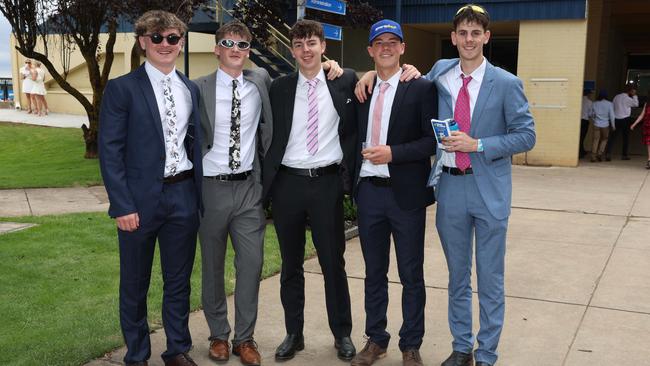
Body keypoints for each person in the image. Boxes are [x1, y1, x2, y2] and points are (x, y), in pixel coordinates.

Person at [98, 10, 203, 366]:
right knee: (135, 284)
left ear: (181, 43)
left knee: (178, 281)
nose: (165, 44)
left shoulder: (190, 88)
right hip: (138, 203)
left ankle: (177, 350)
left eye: (172, 38)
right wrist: (122, 205)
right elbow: (110, 151)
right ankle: (138, 354)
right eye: (156, 37)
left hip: (183, 196)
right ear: (143, 42)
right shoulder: (122, 88)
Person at [262, 19, 358, 362]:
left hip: (327, 184)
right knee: (291, 265)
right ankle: (294, 333)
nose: (306, 50)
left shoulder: (345, 80)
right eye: (300, 44)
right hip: (287, 184)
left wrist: (370, 74)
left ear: (323, 47)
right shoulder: (279, 86)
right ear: (292, 50)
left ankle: (342, 334)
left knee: (334, 263)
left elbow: (377, 82)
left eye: (312, 43)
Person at [349, 19, 437, 366]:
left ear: (402, 48)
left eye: (393, 42)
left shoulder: (421, 87)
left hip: (406, 196)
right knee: (374, 272)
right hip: (369, 192)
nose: (386, 47)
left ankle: (411, 344)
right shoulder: (362, 89)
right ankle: (376, 339)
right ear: (370, 50)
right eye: (379, 42)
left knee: (411, 274)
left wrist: (393, 153)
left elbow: (431, 141)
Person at [607, 84, 638, 160]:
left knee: (612, 137)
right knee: (625, 138)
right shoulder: (627, 99)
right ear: (630, 91)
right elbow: (636, 104)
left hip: (616, 119)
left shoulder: (616, 97)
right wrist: (634, 95)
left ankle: (608, 154)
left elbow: (612, 106)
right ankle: (624, 155)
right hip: (625, 119)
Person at [590, 90, 615, 162]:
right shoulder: (609, 104)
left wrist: (594, 120)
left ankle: (593, 156)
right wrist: (613, 125)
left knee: (595, 140)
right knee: (604, 139)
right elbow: (612, 116)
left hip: (596, 124)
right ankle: (599, 154)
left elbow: (591, 114)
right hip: (605, 125)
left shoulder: (594, 103)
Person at [630, 99, 650, 169]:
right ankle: (649, 160)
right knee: (648, 143)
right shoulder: (647, 104)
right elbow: (641, 115)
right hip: (648, 126)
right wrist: (634, 124)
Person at [580, 89, 593, 158]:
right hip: (585, 121)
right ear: (588, 94)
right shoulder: (589, 102)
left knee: (579, 137)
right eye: (590, 94)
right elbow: (590, 114)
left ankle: (581, 151)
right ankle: (580, 153)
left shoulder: (578, 100)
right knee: (582, 137)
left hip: (578, 121)